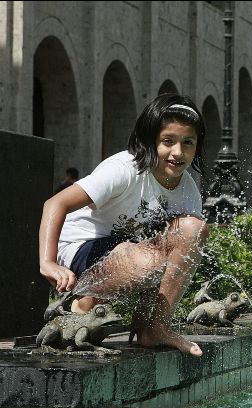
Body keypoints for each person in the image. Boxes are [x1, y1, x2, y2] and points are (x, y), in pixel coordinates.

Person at [38, 93, 208, 357]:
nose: (178, 152)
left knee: (193, 230)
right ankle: (84, 302)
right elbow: (55, 204)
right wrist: (48, 262)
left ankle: (154, 327)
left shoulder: (188, 191)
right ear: (151, 140)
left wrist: (145, 311)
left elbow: (175, 258)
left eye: (188, 143)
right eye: (168, 141)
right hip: (80, 249)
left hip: (129, 254)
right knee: (147, 260)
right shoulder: (125, 169)